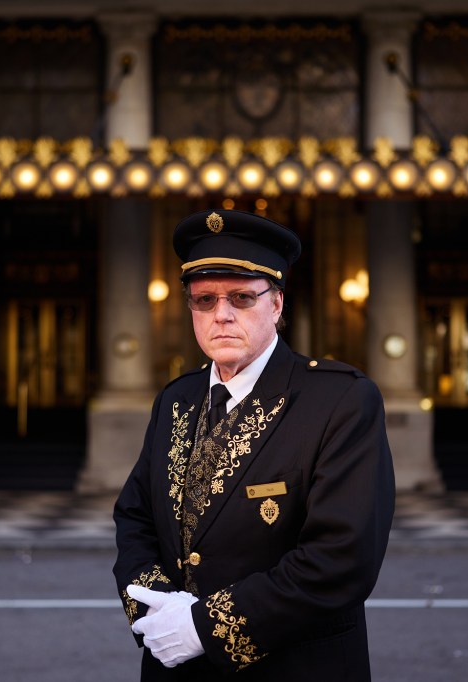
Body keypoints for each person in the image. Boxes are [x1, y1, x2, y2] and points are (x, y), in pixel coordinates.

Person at [113, 208, 395, 681]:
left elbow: (340, 558)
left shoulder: (340, 400)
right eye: (204, 300)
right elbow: (135, 517)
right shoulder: (176, 400)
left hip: (294, 667)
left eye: (242, 298)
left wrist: (205, 627)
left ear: (277, 304)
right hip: (176, 667)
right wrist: (156, 611)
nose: (220, 315)